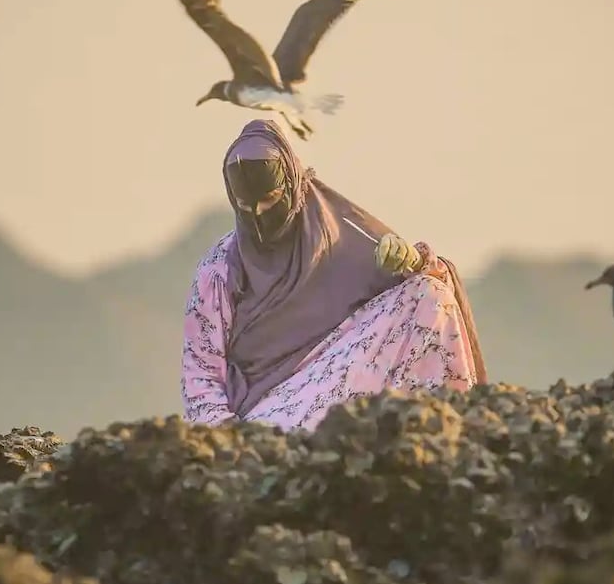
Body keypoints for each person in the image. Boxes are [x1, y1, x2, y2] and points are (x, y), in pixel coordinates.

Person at [180, 118, 487, 431]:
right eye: (246, 205)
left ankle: (443, 432)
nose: (258, 216)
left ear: (292, 185)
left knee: (429, 295)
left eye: (270, 199)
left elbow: (411, 297)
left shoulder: (336, 240)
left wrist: (412, 261)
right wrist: (232, 438)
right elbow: (201, 376)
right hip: (270, 411)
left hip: (346, 374)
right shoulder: (219, 270)